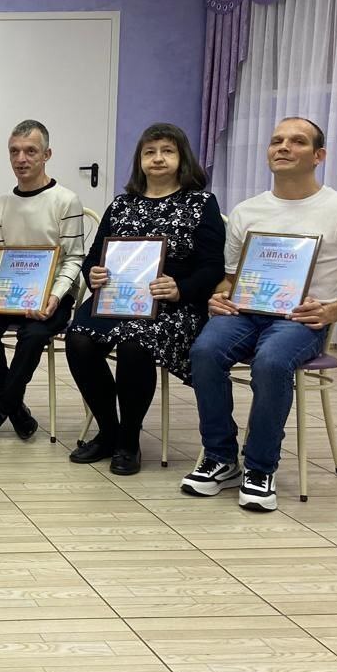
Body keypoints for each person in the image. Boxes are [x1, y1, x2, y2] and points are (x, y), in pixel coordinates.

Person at [183, 117, 337, 511]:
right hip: (245, 312)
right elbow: (228, 280)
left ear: (319, 156)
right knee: (204, 351)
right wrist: (218, 297)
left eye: (297, 141)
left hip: (302, 319)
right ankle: (221, 458)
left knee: (272, 361)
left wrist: (331, 311)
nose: (284, 147)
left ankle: (260, 467)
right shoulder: (248, 211)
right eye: (277, 141)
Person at [66, 123, 224, 476]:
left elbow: (213, 267)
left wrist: (181, 288)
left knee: (135, 343)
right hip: (117, 298)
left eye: (167, 151)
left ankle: (128, 440)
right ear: (140, 160)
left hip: (173, 303)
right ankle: (109, 430)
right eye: (149, 152)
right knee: (78, 338)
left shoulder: (201, 203)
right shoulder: (121, 204)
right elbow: (93, 258)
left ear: (182, 158)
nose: (158, 158)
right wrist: (93, 275)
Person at [0, 120, 85, 442]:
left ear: (47, 154)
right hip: (10, 292)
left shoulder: (66, 200)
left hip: (53, 294)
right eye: (14, 151)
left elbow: (75, 258)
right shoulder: (1, 205)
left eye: (30, 151)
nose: (21, 159)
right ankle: (15, 410)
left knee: (33, 335)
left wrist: (54, 297)